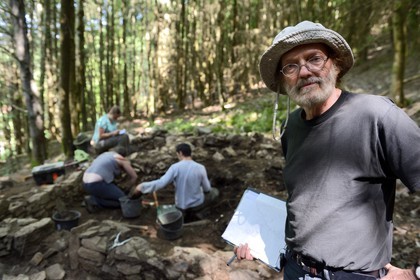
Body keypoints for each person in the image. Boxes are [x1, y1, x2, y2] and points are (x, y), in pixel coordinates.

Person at [234, 21, 419, 280]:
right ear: (283, 79)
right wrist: (265, 244)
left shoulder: (377, 115)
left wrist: (415, 273)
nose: (304, 71)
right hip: (296, 270)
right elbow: (304, 203)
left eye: (314, 59)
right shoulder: (292, 128)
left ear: (335, 63)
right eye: (291, 66)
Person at [132, 143, 219, 221]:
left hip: (180, 206)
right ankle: (200, 213)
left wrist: (142, 187)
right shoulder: (200, 167)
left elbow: (161, 183)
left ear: (180, 153)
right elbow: (207, 189)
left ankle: (186, 215)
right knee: (214, 192)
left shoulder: (175, 167)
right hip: (196, 205)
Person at [82, 146, 138, 213]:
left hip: (85, 182)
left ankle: (94, 198)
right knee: (124, 201)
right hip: (96, 184)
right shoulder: (122, 160)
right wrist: (128, 187)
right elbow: (134, 177)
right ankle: (95, 201)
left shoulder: (106, 155)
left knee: (112, 194)